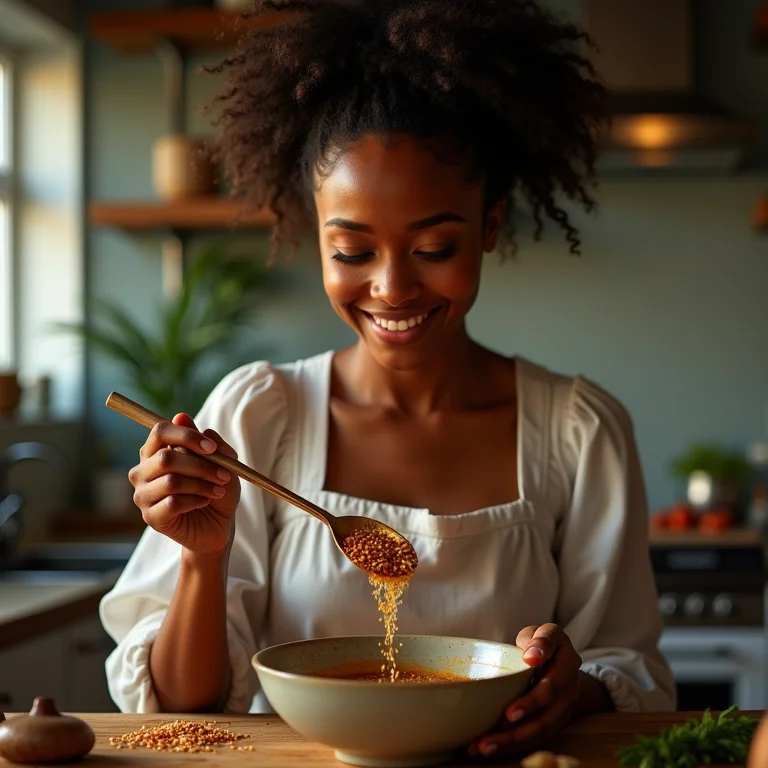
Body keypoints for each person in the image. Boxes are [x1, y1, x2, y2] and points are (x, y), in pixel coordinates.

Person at [99, 0, 676, 757]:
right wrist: (203, 556)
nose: (393, 288)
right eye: (352, 251)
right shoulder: (260, 415)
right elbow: (185, 708)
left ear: (491, 224)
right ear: (316, 231)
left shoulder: (578, 431)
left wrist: (573, 686)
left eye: (435, 246)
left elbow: (625, 662)